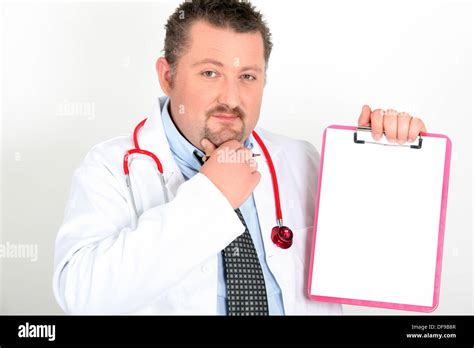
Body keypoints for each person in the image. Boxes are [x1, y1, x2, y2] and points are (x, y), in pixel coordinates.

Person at [53, 0, 427, 315]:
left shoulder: (301, 159)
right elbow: (82, 297)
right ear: (167, 76)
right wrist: (213, 197)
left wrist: (386, 164)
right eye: (211, 72)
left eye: (248, 76)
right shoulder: (111, 168)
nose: (231, 98)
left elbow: (376, 270)